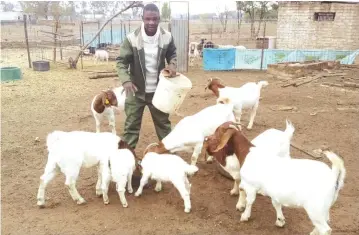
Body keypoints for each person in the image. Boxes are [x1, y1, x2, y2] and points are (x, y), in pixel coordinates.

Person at [116, 3, 177, 149]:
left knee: (164, 125)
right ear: (142, 18)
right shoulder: (132, 38)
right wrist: (125, 80)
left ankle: (170, 154)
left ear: (159, 19)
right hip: (136, 91)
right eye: (148, 19)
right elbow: (121, 62)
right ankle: (127, 160)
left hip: (159, 91)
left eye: (155, 19)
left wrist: (172, 65)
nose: (151, 22)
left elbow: (172, 54)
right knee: (131, 127)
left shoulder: (167, 37)